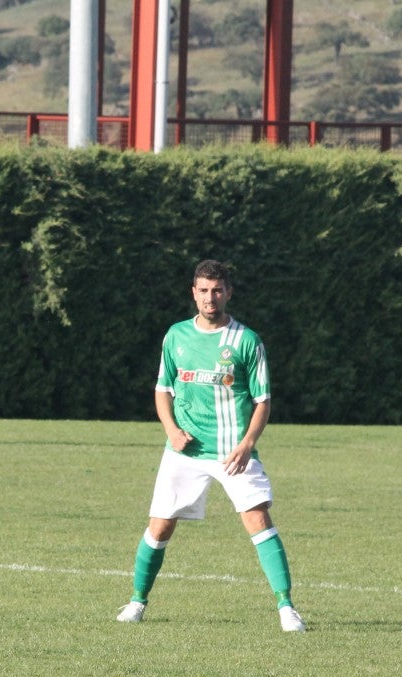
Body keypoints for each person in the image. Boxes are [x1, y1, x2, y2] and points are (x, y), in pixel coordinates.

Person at [117, 259, 305, 632]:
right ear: (193, 293)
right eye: (203, 290)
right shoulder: (175, 336)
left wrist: (247, 444)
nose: (210, 297)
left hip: (232, 452)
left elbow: (263, 401)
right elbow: (162, 390)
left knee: (258, 520)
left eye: (217, 290)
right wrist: (171, 429)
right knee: (159, 527)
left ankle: (287, 608)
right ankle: (137, 601)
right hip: (184, 451)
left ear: (228, 293)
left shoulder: (246, 341)